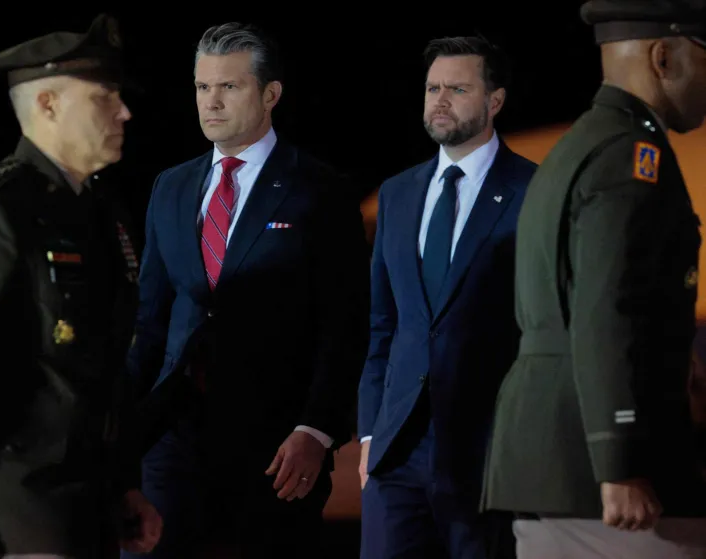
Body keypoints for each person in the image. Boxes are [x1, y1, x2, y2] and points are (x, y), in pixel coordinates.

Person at [0, 14, 161, 559]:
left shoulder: (101, 211)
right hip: (13, 505)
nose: (124, 112)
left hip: (87, 500)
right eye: (105, 97)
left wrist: (124, 482)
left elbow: (103, 368)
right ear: (48, 105)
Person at [121, 21, 369, 559]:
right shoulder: (172, 186)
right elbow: (151, 318)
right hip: (172, 436)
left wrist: (317, 430)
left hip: (276, 445)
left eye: (229, 87)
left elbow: (345, 323)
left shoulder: (319, 189)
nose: (211, 101)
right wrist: (121, 428)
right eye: (202, 87)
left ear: (270, 94)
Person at [481, 1, 706, 557]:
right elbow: (608, 310)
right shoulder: (630, 155)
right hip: (601, 474)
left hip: (554, 458)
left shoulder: (581, 145)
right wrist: (619, 460)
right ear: (663, 57)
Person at [357, 36, 537, 559]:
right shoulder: (396, 192)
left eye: (457, 88)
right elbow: (382, 323)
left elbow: (543, 326)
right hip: (395, 457)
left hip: (487, 456)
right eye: (433, 88)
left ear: (494, 101)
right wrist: (370, 434)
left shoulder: (535, 191)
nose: (440, 100)